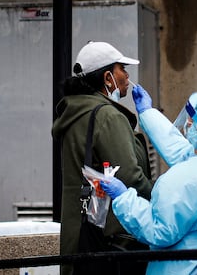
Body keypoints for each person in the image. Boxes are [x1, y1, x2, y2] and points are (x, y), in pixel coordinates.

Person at [100, 87, 197, 274]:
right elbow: (182, 151)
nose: (187, 123)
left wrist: (124, 198)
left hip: (188, 265)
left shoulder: (187, 179)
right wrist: (148, 113)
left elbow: (159, 231)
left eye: (192, 119)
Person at [52, 41, 153, 275]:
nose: (127, 76)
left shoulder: (75, 113)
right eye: (122, 69)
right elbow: (131, 177)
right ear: (108, 78)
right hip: (112, 242)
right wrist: (162, 197)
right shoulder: (108, 116)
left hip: (80, 237)